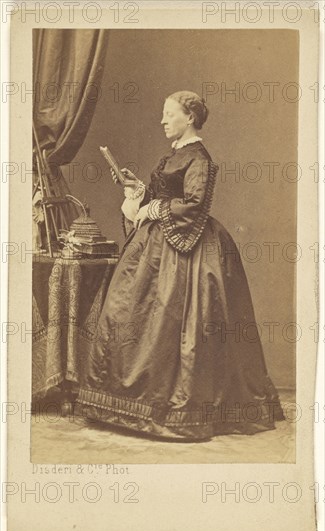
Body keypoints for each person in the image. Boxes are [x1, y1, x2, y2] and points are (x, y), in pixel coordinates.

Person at [77, 90, 284, 440]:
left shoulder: (200, 158)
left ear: (189, 118)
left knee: (179, 320)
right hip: (156, 247)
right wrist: (136, 191)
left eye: (169, 114)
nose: (162, 120)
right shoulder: (172, 156)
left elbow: (193, 205)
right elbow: (162, 196)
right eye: (162, 114)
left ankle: (178, 411)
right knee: (127, 312)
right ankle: (123, 403)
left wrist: (153, 209)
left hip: (189, 253)